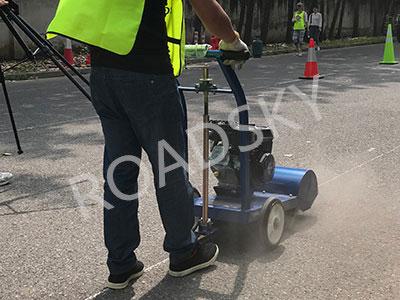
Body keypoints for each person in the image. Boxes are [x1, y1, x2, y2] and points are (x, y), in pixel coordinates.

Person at [47, 0, 248, 290]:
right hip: (148, 75)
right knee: (169, 167)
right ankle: (183, 252)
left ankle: (121, 264)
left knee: (120, 172)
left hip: (103, 76)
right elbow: (207, 8)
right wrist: (232, 40)